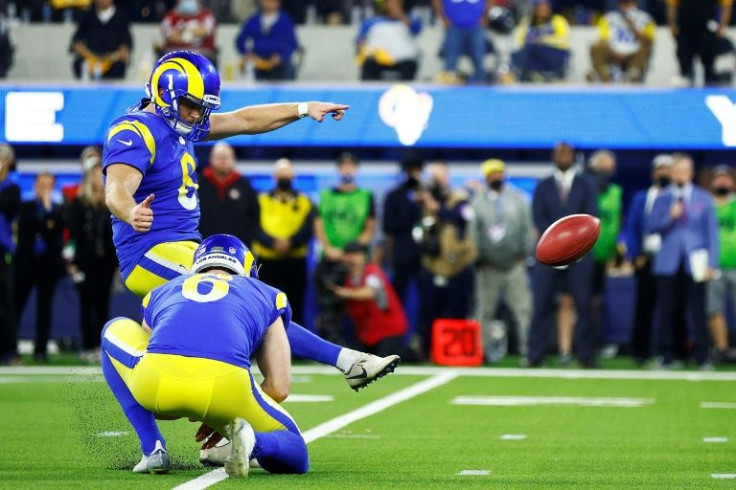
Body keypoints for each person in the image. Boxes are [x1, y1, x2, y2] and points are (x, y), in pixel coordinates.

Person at [102, 51, 398, 399]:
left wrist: (303, 108)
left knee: (261, 299)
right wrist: (130, 211)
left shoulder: (179, 125)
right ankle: (345, 361)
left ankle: (255, 410)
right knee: (245, 299)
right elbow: (116, 189)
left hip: (187, 247)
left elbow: (245, 120)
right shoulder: (134, 130)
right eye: (190, 104)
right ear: (165, 93)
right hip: (148, 251)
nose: (198, 114)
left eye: (202, 106)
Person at [101, 234, 309, 476]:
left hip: (156, 383)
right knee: (295, 450)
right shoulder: (268, 294)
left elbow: (160, 408)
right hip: (227, 385)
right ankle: (255, 442)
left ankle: (152, 448)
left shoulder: (161, 291)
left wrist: (189, 404)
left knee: (112, 330)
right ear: (248, 269)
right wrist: (218, 415)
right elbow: (279, 387)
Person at [528, 142, 598, 368]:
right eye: (559, 153)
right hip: (549, 254)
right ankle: (536, 354)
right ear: (553, 157)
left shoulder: (586, 184)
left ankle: (586, 355)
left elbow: (590, 217)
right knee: (541, 304)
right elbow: (538, 217)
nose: (563, 157)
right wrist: (556, 245)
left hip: (579, 255)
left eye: (567, 153)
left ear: (574, 157)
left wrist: (571, 246)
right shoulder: (543, 185)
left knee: (583, 304)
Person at [647, 154, 718, 368]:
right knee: (667, 310)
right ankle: (667, 355)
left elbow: (711, 233)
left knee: (697, 310)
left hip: (695, 261)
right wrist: (670, 216)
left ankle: (702, 356)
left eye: (683, 171)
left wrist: (711, 264)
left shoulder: (704, 198)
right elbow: (651, 227)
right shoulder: (663, 197)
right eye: (675, 171)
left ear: (691, 173)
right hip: (668, 262)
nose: (679, 175)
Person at [469, 159, 533, 363]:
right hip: (489, 266)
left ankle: (528, 351)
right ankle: (483, 352)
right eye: (491, 174)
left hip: (514, 264)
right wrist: (478, 259)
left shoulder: (517, 199)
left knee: (523, 308)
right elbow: (473, 233)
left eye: (498, 173)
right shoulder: (477, 202)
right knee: (485, 310)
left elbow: (527, 228)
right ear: (486, 177)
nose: (496, 177)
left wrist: (525, 254)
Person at [313, 152, 377, 346]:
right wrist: (328, 248)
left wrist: (353, 253)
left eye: (351, 166)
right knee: (328, 307)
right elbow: (319, 224)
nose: (347, 170)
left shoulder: (366, 196)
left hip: (355, 263)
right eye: (344, 166)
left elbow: (369, 228)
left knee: (358, 307)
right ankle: (326, 346)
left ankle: (361, 345)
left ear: (356, 169)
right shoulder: (325, 196)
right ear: (339, 169)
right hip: (330, 258)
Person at [417, 161, 477, 355]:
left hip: (456, 264)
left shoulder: (459, 198)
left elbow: (461, 216)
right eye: (433, 176)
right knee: (430, 310)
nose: (437, 180)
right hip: (433, 264)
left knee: (458, 309)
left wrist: (435, 207)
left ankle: (458, 350)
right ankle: (429, 350)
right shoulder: (423, 200)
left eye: (440, 176)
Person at [65, 158, 117, 363]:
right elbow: (72, 236)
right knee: (86, 304)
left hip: (106, 262)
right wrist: (72, 263)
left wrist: (117, 264)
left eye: (102, 176)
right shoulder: (79, 203)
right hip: (85, 262)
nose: (99, 179)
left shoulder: (111, 202)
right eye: (96, 175)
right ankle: (87, 345)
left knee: (103, 304)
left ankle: (101, 345)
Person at [623, 154, 673, 365]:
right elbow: (632, 228)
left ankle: (668, 352)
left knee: (669, 307)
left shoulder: (676, 197)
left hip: (669, 259)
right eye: (660, 169)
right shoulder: (642, 197)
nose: (663, 174)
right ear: (653, 173)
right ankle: (640, 352)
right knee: (643, 306)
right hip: (647, 258)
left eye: (667, 170)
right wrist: (635, 254)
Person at [252, 158, 314, 326]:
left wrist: (291, 243)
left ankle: (298, 350)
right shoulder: (261, 200)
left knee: (297, 306)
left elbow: (308, 229)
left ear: (293, 177)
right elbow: (254, 227)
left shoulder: (305, 201)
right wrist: (273, 243)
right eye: (281, 174)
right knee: (266, 306)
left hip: (295, 260)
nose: (284, 178)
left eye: (288, 174)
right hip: (268, 261)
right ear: (275, 177)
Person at [14, 172, 65, 363]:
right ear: (35, 185)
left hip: (48, 265)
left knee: (45, 309)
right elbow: (28, 226)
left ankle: (40, 351)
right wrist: (46, 222)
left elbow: (58, 228)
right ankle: (10, 347)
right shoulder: (25, 206)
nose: (44, 187)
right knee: (16, 305)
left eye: (48, 184)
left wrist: (48, 209)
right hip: (26, 263)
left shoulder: (58, 208)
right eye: (41, 183)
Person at [329, 241, 410, 357]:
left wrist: (344, 293)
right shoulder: (347, 278)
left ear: (363, 256)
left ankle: (410, 352)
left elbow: (370, 292)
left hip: (387, 331)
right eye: (349, 256)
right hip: (366, 334)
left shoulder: (372, 272)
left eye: (356, 255)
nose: (352, 259)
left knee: (386, 358)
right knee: (356, 360)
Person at [587, 150, 622, 342]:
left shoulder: (616, 191)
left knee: (597, 301)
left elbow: (616, 222)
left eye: (608, 167)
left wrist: (615, 253)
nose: (604, 170)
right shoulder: (585, 187)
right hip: (584, 253)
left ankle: (595, 340)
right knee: (581, 300)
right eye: (601, 166)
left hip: (604, 254)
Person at [197, 142, 259, 247]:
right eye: (220, 158)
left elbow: (255, 216)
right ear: (211, 159)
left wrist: (248, 240)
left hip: (237, 247)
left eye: (226, 158)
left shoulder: (244, 185)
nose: (223, 161)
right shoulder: (198, 184)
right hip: (203, 246)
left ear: (233, 159)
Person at [382, 154, 424, 304]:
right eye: (410, 170)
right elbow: (387, 226)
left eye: (417, 170)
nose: (413, 174)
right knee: (398, 294)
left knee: (427, 295)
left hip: (425, 253)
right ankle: (397, 326)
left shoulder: (427, 195)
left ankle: (423, 327)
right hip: (401, 251)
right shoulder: (394, 196)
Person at [707, 166, 736, 364]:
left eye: (726, 179)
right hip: (714, 265)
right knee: (714, 309)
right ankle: (721, 348)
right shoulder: (706, 204)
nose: (723, 183)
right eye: (719, 179)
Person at [666, 0, 733, 86]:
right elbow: (672, 5)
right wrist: (672, 25)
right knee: (685, 70)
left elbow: (726, 5)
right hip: (685, 29)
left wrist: (722, 26)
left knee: (709, 69)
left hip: (707, 30)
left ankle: (711, 85)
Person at [589, 0, 655, 83]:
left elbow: (649, 42)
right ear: (619, 5)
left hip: (634, 53)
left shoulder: (646, 19)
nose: (626, 8)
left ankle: (633, 73)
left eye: (629, 4)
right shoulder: (608, 18)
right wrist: (616, 51)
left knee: (645, 47)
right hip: (613, 51)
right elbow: (603, 39)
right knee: (596, 46)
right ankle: (602, 74)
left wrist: (633, 27)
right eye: (623, 4)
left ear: (636, 4)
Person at [356, 0, 422, 81]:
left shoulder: (409, 20)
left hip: (404, 60)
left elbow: (416, 30)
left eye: (396, 3)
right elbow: (360, 40)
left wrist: (400, 15)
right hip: (377, 61)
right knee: (369, 66)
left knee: (409, 65)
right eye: (390, 3)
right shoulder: (371, 22)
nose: (393, 6)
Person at [235, 0, 299, 81]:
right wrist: (247, 53)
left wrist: (282, 56)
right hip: (258, 61)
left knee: (289, 68)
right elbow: (240, 40)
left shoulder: (285, 21)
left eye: (272, 1)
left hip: (279, 63)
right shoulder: (254, 20)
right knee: (248, 68)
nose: (269, 3)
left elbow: (292, 44)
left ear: (278, 3)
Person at [70, 0, 132, 80]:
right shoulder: (87, 17)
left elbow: (126, 46)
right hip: (90, 59)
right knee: (79, 63)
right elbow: (76, 42)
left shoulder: (121, 18)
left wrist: (110, 59)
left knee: (120, 66)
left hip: (112, 62)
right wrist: (91, 58)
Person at [432, 0, 492, 83]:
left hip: (475, 25)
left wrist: (486, 15)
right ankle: (447, 88)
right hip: (453, 26)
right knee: (450, 61)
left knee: (479, 60)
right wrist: (442, 17)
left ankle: (482, 87)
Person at [510, 0, 570, 82]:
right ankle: (534, 75)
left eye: (545, 7)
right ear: (535, 9)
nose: (543, 9)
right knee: (520, 52)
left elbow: (563, 39)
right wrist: (531, 44)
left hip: (553, 53)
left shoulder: (557, 21)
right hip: (532, 53)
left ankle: (513, 72)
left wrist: (542, 40)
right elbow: (519, 39)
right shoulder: (527, 22)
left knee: (531, 48)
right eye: (540, 7)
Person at [0, 143, 20, 365]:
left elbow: (7, 206)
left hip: (2, 250)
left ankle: (10, 350)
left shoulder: (11, 188)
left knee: (4, 301)